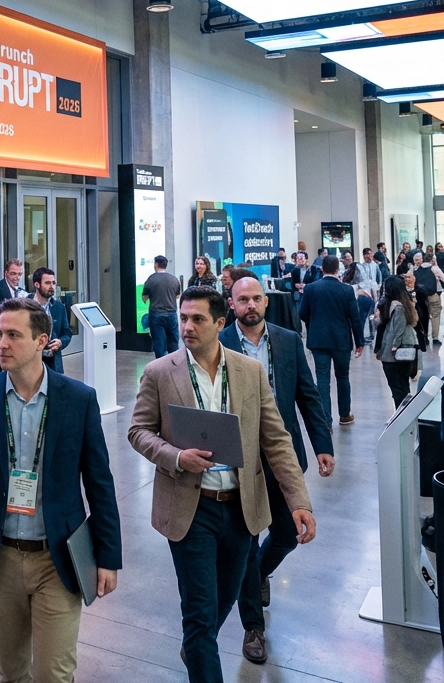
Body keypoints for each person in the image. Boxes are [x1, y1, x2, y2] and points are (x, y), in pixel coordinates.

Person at [128, 287, 315, 683]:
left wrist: (298, 499)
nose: (187, 327)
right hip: (189, 509)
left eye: (197, 319)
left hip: (241, 508)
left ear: (219, 323)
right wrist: (177, 457)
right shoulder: (160, 373)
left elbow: (276, 439)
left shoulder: (250, 372)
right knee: (198, 612)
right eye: (183, 318)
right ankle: (199, 650)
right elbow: (138, 432)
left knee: (223, 600)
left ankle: (196, 644)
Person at [0, 297, 122, 683]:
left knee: (54, 675)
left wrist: (108, 556)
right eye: (0, 334)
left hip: (56, 559)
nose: (1, 343)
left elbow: (100, 483)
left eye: (13, 335)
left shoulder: (78, 400)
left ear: (42, 341)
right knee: (12, 673)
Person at [219, 273, 334, 665]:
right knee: (247, 543)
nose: (250, 305)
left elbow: (307, 393)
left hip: (283, 457)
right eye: (242, 300)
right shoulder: (218, 344)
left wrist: (322, 444)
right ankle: (253, 627)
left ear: (266, 302)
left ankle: (259, 574)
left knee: (286, 533)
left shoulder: (287, 340)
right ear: (231, 305)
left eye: (256, 298)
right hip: (238, 461)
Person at [299, 255, 364, 426]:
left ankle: (325, 420)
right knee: (343, 377)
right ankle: (344, 414)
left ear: (322, 269)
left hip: (318, 339)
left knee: (322, 378)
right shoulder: (347, 290)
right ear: (338, 269)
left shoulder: (311, 288)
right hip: (341, 340)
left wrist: (313, 323)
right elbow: (355, 318)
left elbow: (302, 313)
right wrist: (359, 342)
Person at [374, 275, 420, 408]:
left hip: (393, 355)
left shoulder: (397, 306)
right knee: (403, 387)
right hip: (406, 353)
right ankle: (404, 417)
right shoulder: (405, 304)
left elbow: (396, 329)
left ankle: (401, 418)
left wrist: (394, 345)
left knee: (398, 389)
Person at [30, 267, 72, 374]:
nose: (52, 287)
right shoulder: (25, 306)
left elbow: (67, 332)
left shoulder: (59, 307)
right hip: (30, 361)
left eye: (53, 283)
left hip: (54, 363)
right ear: (37, 284)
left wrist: (60, 342)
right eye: (47, 283)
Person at [142, 255, 181, 359]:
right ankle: (175, 364)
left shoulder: (151, 279)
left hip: (156, 314)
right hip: (171, 313)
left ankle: (161, 367)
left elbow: (144, 298)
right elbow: (178, 296)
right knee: (173, 341)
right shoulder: (174, 279)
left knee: (159, 343)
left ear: (156, 264)